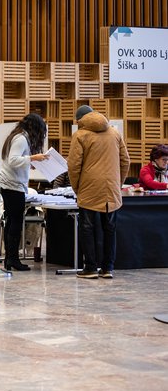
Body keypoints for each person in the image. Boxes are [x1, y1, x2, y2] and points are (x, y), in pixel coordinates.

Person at [68, 105, 130, 279]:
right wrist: (118, 183)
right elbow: (126, 161)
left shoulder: (80, 135)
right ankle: (108, 268)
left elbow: (73, 166)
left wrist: (77, 188)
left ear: (79, 121)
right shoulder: (114, 133)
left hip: (89, 187)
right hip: (111, 188)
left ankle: (90, 267)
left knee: (87, 228)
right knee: (110, 228)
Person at [0, 113, 49, 271]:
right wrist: (32, 158)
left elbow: (17, 160)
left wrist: (28, 161)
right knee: (15, 223)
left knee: (12, 222)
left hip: (10, 184)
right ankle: (13, 259)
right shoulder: (21, 138)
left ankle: (10, 259)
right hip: (12, 185)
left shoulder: (18, 135)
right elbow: (13, 160)